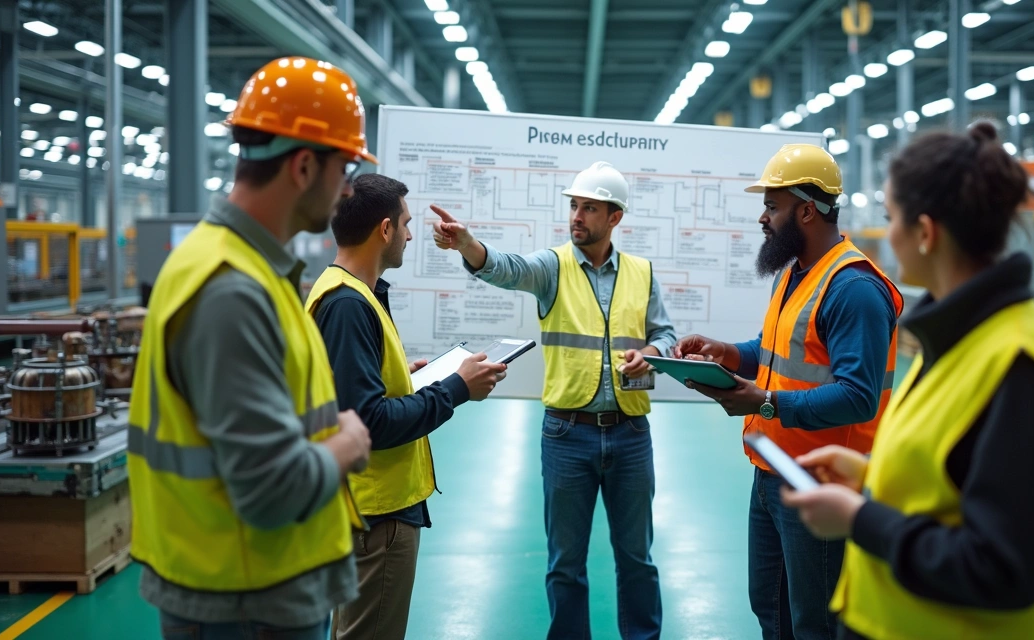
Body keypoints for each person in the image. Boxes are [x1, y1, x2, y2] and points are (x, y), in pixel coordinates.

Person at [784, 122, 1034, 640]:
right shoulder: (956, 333)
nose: (887, 235)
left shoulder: (1015, 364)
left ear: (925, 233)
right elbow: (951, 474)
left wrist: (860, 519)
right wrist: (873, 478)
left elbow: (1003, 568)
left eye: (891, 217)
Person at [126, 57, 375, 640]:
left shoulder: (250, 267)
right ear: (304, 165)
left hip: (253, 587)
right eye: (344, 169)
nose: (346, 190)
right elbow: (268, 491)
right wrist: (347, 443)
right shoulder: (230, 290)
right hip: (245, 603)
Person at [431, 161, 677, 640]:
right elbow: (508, 269)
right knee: (565, 564)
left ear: (614, 218)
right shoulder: (553, 266)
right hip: (567, 435)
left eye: (589, 207)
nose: (577, 216)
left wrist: (651, 353)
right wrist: (467, 245)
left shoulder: (642, 273)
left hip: (630, 435)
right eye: (574, 206)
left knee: (637, 560)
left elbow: (665, 333)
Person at [674, 144, 903, 640]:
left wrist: (766, 402)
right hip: (772, 472)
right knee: (771, 609)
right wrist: (726, 354)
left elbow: (858, 396)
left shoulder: (854, 289)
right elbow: (774, 350)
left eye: (772, 206)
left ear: (807, 210)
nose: (763, 217)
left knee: (816, 623)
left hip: (819, 479)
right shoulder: (796, 273)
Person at [305, 173, 507, 640]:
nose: (412, 235)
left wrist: (412, 381)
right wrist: (456, 388)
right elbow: (368, 424)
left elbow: (351, 395)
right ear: (384, 230)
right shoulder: (349, 305)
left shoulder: (348, 292)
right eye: (407, 223)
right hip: (375, 515)